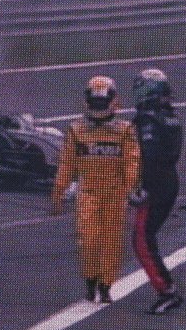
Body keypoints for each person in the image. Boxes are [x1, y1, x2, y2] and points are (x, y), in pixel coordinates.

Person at [51, 75, 141, 303]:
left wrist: (130, 189)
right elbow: (67, 163)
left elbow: (132, 161)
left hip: (115, 193)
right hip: (88, 192)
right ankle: (91, 281)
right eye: (96, 101)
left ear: (112, 101)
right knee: (88, 239)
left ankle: (106, 284)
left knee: (111, 241)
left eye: (103, 101)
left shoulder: (125, 130)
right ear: (88, 101)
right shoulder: (76, 130)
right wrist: (58, 192)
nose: (99, 106)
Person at [130, 69, 184, 314]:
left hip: (157, 183)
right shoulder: (170, 115)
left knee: (142, 239)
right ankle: (166, 289)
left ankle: (167, 291)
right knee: (145, 238)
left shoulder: (148, 119)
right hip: (169, 179)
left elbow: (149, 156)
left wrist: (143, 188)